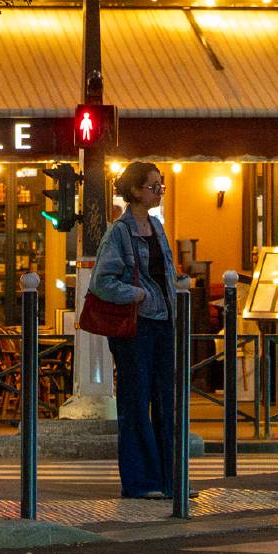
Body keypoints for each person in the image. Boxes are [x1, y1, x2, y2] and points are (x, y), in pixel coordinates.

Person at [92, 161, 186, 499]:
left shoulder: (157, 227)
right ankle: (140, 481)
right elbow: (103, 281)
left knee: (166, 401)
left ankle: (169, 480)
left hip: (162, 324)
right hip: (135, 327)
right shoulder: (120, 232)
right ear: (134, 191)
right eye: (154, 186)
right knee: (136, 401)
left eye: (162, 186)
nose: (160, 191)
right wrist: (140, 294)